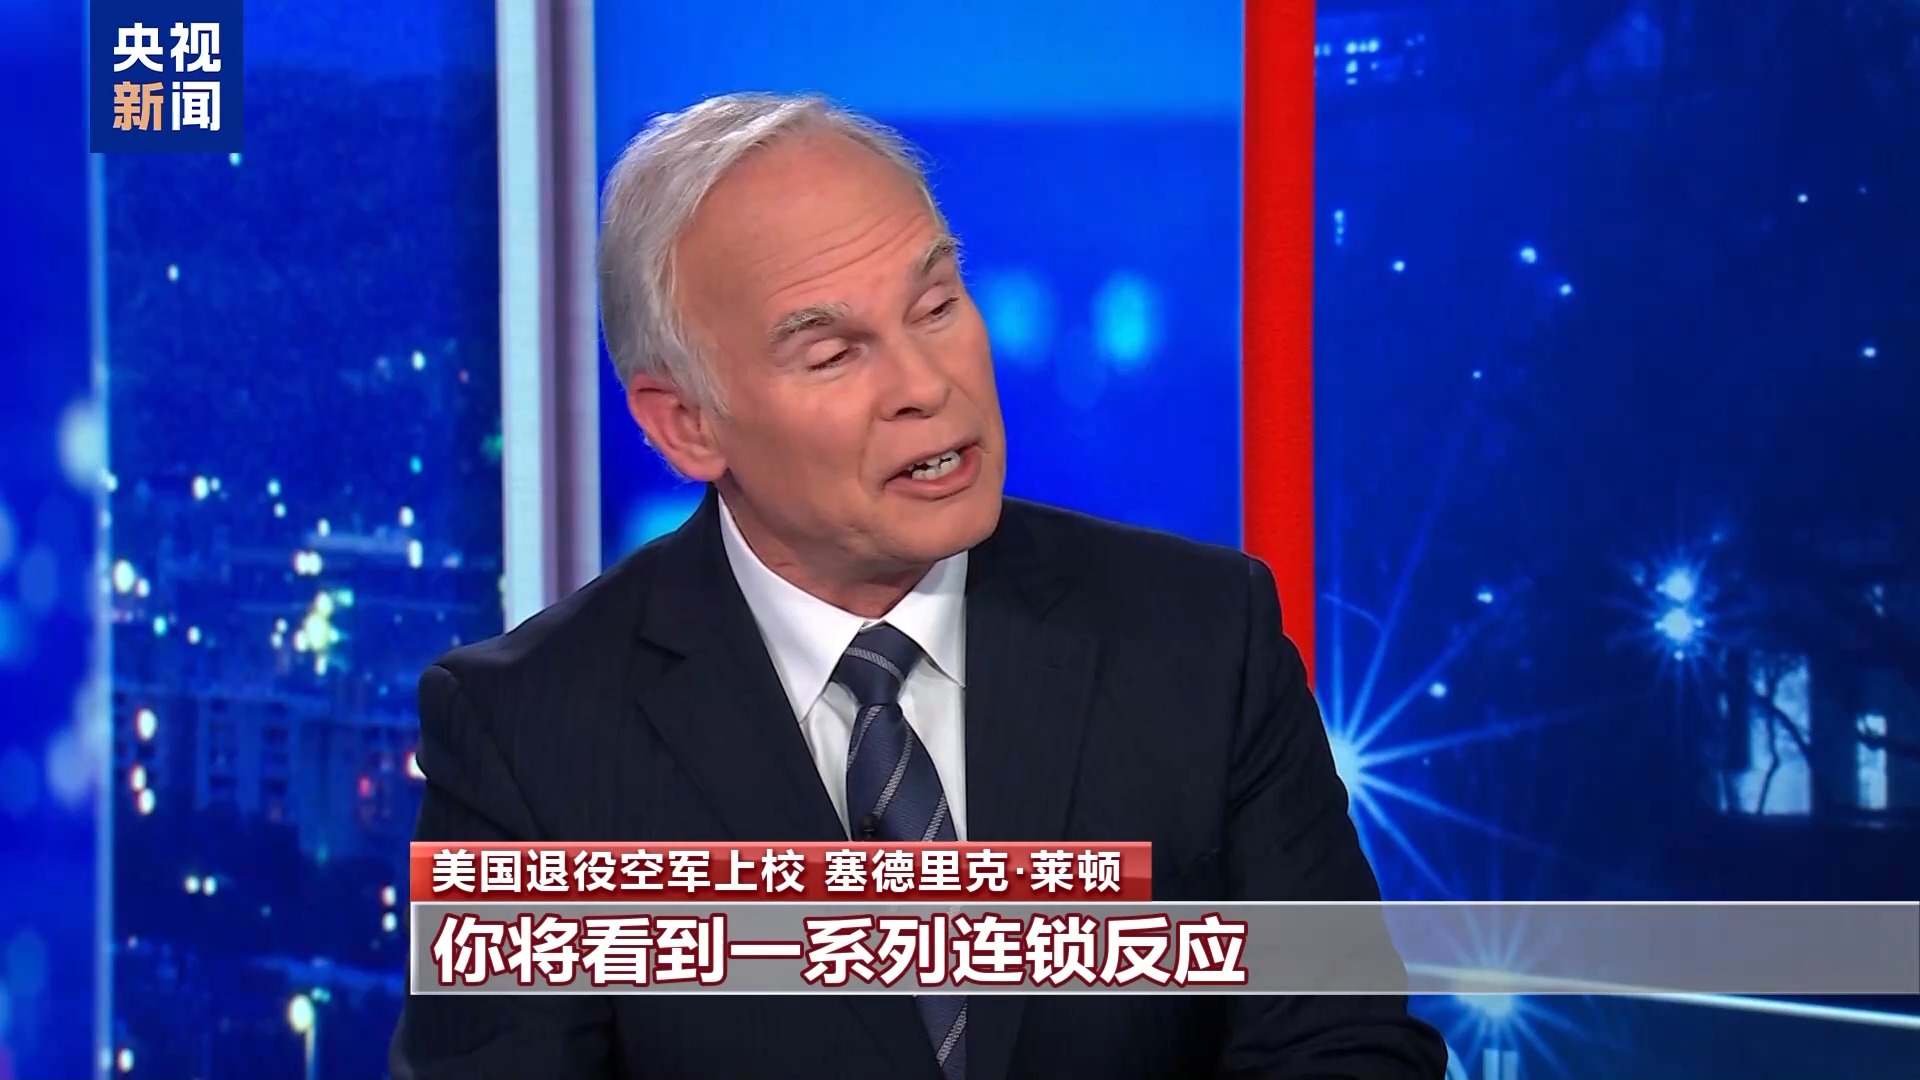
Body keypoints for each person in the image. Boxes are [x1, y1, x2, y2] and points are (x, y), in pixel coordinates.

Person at [390, 92, 1446, 1080]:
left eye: (936, 305)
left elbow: (1341, 1046)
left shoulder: (1202, 642)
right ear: (686, 424)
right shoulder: (529, 735)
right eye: (833, 353)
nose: (926, 385)